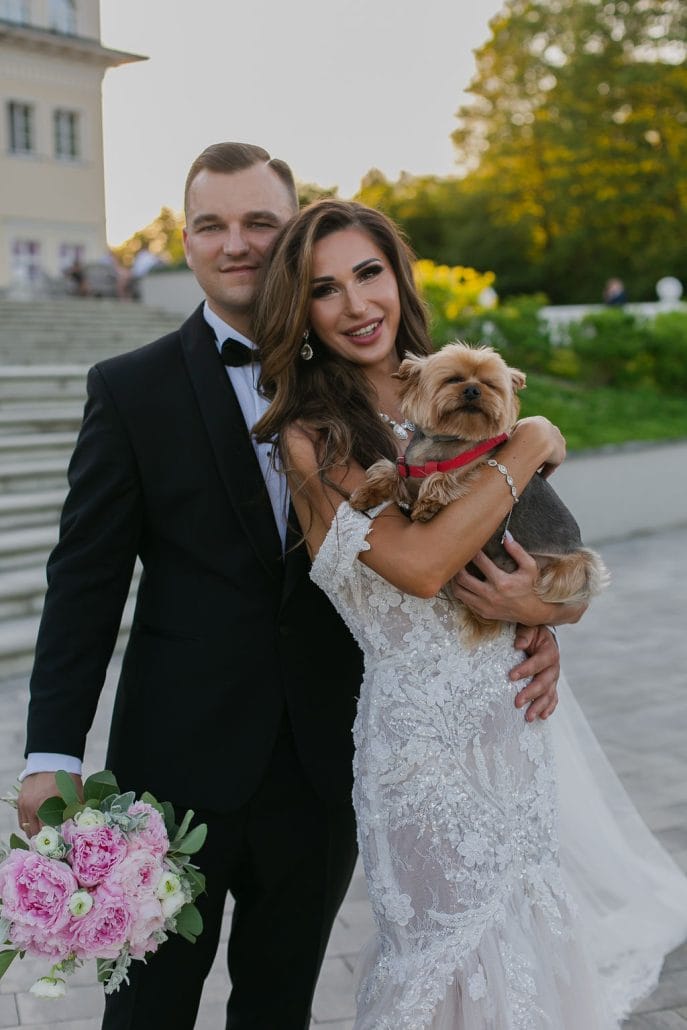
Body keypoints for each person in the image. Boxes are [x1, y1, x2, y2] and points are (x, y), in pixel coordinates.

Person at [17, 144, 562, 1030]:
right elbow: (84, 582)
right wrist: (51, 753)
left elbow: (469, 534)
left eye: (259, 223)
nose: (235, 243)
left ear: (291, 239)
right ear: (184, 241)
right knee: (144, 1013)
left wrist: (536, 612)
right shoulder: (129, 389)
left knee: (279, 1008)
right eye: (210, 225)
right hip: (174, 767)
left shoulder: (393, 391)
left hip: (326, 759)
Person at [253, 199, 687, 1029]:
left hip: (516, 726)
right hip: (422, 754)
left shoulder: (461, 393)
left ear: (400, 277)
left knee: (526, 949)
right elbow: (419, 567)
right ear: (301, 313)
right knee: (447, 954)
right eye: (325, 288)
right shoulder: (312, 439)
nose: (356, 304)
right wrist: (526, 443)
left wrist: (546, 611)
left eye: (369, 273)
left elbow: (541, 557)